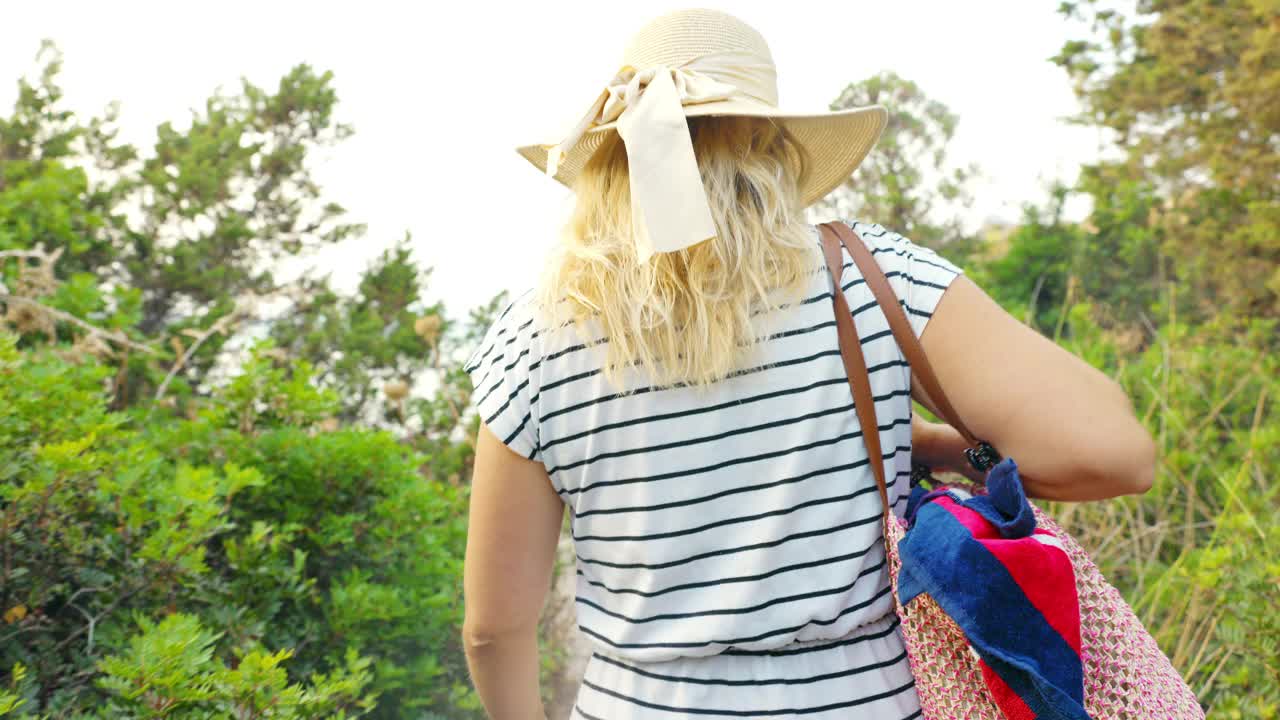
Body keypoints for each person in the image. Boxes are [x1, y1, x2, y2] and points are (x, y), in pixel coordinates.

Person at [460, 9, 1155, 720]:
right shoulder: (871, 276)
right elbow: (1117, 456)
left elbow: (494, 630)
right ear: (771, 141)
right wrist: (941, 447)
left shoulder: (535, 335)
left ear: (612, 160)